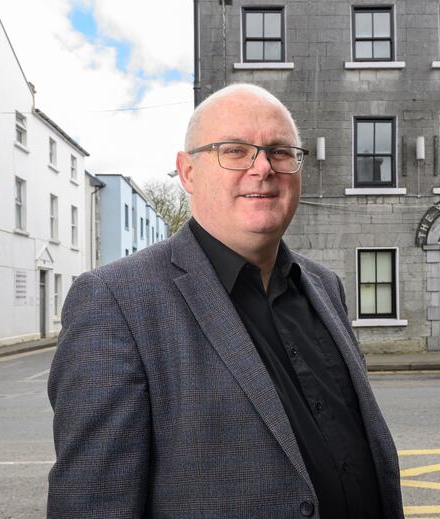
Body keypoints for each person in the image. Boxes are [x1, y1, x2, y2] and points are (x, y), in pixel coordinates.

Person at [47, 83, 404, 518]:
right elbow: (94, 505)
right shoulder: (116, 302)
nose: (263, 168)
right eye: (234, 150)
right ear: (188, 172)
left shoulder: (326, 286)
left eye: (279, 151)